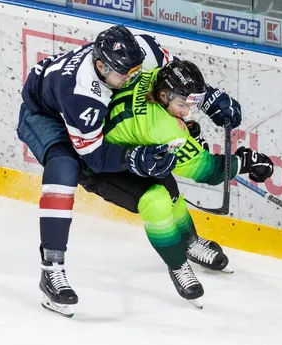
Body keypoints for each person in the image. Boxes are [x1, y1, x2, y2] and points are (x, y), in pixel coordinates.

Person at [16, 25, 242, 317]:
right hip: (47, 115)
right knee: (65, 167)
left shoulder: (142, 51)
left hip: (90, 113)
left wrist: (208, 97)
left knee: (157, 164)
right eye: (126, 74)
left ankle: (188, 241)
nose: (133, 78)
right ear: (101, 65)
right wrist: (134, 158)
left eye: (136, 70)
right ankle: (51, 269)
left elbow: (173, 76)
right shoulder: (82, 94)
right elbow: (95, 158)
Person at [78, 60, 274, 309]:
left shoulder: (153, 76)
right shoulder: (164, 130)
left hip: (128, 147)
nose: (187, 111)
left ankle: (190, 242)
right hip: (99, 167)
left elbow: (175, 83)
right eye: (183, 105)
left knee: (171, 194)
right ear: (163, 95)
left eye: (192, 104)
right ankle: (177, 264)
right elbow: (210, 172)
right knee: (156, 200)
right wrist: (244, 162)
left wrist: (207, 101)